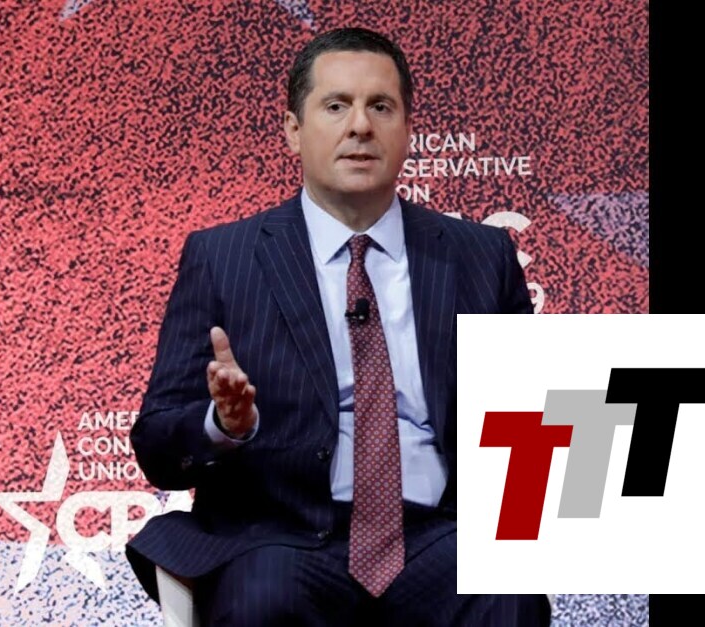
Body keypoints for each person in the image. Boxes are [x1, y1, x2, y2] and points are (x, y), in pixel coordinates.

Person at [126, 27, 548, 626]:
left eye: (381, 107)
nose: (360, 126)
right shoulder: (222, 257)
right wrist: (224, 425)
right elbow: (158, 444)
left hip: (438, 534)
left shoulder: (482, 255)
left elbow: (532, 424)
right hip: (279, 537)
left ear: (407, 130)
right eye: (335, 106)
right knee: (262, 599)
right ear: (293, 130)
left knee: (504, 592)